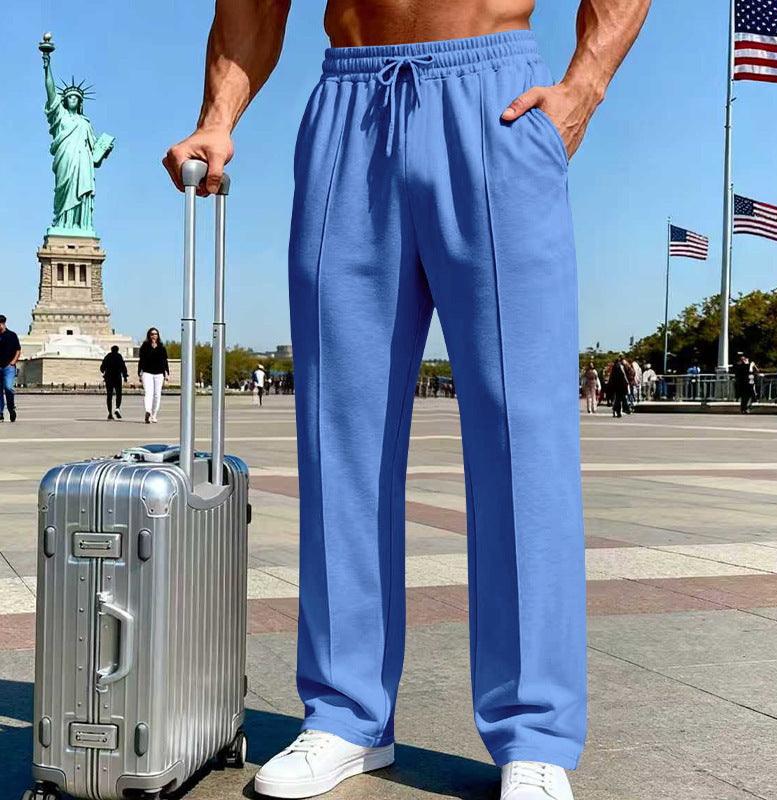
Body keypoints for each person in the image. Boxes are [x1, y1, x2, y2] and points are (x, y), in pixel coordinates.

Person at [163, 1, 651, 798]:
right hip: (350, 103)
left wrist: (584, 85)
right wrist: (218, 117)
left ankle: (534, 733)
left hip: (494, 99)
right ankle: (346, 714)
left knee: (521, 434)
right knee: (339, 433)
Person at [137, 327, 169, 424]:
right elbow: (141, 360)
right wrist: (140, 372)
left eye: (155, 334)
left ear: (158, 336)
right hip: (147, 372)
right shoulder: (145, 347)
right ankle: (148, 411)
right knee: (148, 392)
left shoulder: (162, 348)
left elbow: (165, 361)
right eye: (152, 334)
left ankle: (154, 414)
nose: (153, 336)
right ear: (149, 335)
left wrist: (167, 373)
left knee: (157, 394)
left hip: (159, 373)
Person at [0, 314, 21, 423]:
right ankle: (0, 413)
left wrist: (13, 362)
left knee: (8, 388)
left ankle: (11, 408)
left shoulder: (12, 335)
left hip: (8, 367)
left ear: (2, 324)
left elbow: (18, 350)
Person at [100, 345, 129, 420]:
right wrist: (125, 376)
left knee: (109, 395)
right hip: (117, 377)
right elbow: (123, 367)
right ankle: (117, 408)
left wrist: (104, 371)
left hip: (108, 378)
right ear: (117, 350)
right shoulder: (119, 356)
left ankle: (110, 413)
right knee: (118, 394)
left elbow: (102, 367)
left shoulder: (108, 356)